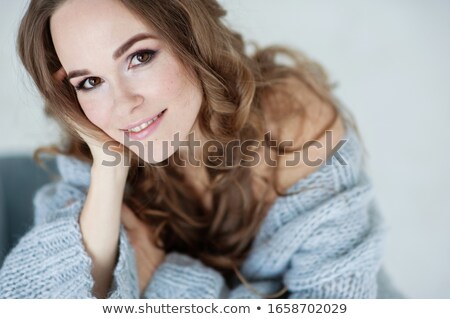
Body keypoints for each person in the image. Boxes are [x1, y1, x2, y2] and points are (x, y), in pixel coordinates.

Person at [0, 0, 399, 299]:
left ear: (190, 38)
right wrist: (108, 168)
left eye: (140, 57)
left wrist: (166, 280)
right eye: (89, 82)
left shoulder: (293, 120)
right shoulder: (94, 144)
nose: (122, 104)